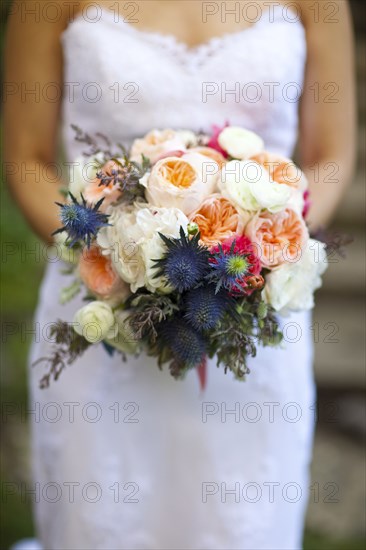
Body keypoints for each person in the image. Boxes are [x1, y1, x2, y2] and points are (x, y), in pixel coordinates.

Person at [4, 1, 356, 549]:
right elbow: (26, 159)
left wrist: (262, 248)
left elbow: (331, 157)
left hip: (254, 320)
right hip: (100, 314)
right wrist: (114, 251)